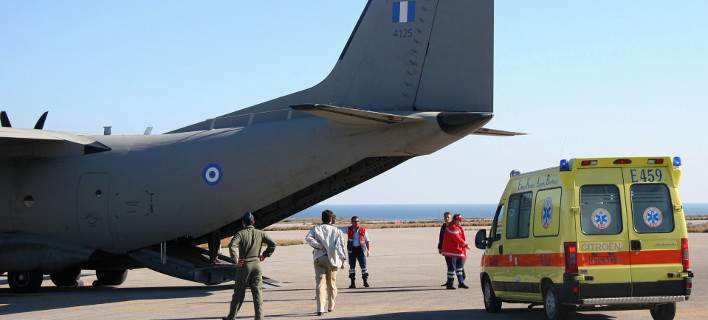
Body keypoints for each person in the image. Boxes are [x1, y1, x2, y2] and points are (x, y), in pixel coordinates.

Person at [223, 213, 276, 320]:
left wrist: (236, 260)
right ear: (253, 222)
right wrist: (265, 255)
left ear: (243, 223)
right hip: (257, 265)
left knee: (238, 293)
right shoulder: (260, 233)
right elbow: (273, 244)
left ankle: (231, 317)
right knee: (257, 293)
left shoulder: (240, 234)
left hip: (244, 266)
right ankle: (259, 317)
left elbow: (232, 245)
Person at [305, 210, 347, 316]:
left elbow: (308, 238)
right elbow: (340, 246)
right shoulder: (337, 231)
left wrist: (319, 246)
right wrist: (343, 260)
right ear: (331, 219)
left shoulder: (315, 228)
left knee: (320, 284)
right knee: (331, 283)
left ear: (322, 218)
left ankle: (320, 308)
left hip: (319, 258)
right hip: (332, 260)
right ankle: (331, 304)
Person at [441, 213, 469, 290]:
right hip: (451, 251)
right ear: (455, 220)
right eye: (459, 220)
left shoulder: (457, 227)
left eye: (461, 220)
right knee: (451, 268)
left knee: (459, 268)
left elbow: (461, 237)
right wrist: (465, 244)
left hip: (457, 251)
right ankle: (449, 284)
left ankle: (461, 282)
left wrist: (463, 246)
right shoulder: (452, 227)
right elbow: (457, 238)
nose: (460, 221)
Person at [346, 216, 371, 288]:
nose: (356, 223)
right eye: (354, 221)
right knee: (352, 267)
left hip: (361, 250)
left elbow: (367, 240)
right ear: (351, 222)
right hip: (352, 250)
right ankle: (352, 283)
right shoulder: (348, 229)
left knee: (364, 267)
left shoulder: (363, 230)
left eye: (357, 221)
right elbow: (338, 229)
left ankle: (365, 282)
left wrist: (368, 250)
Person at [437, 211, 452, 286]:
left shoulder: (453, 226)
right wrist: (440, 247)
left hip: (454, 250)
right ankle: (449, 281)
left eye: (448, 217)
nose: (446, 218)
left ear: (451, 218)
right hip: (446, 249)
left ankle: (461, 279)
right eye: (445, 217)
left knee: (456, 266)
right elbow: (441, 237)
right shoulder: (443, 226)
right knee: (449, 265)